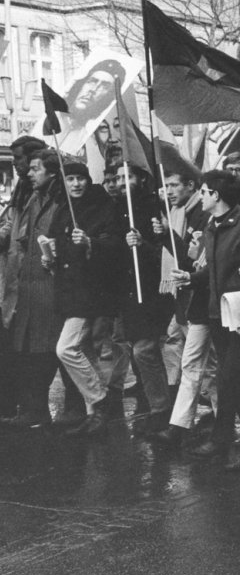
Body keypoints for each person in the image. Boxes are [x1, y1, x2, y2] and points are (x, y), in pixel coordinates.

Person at [174, 171, 240, 472]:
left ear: (216, 196)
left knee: (233, 379)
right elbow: (217, 271)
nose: (201, 197)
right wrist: (191, 278)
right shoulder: (212, 226)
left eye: (204, 191)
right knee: (229, 381)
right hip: (220, 315)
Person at [49, 161, 123, 437]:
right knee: (85, 351)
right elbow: (60, 249)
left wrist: (91, 243)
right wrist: (51, 256)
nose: (76, 184)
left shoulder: (103, 207)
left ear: (88, 180)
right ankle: (94, 416)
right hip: (70, 291)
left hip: (91, 292)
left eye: (80, 178)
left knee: (66, 348)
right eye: (70, 179)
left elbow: (114, 244)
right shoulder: (63, 209)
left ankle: (100, 399)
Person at [148, 161, 214, 448]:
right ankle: (181, 423)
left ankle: (215, 420)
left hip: (202, 300)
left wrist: (166, 234)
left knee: (206, 365)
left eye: (175, 185)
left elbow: (190, 261)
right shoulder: (176, 212)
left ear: (192, 186)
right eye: (167, 185)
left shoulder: (203, 215)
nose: (169, 191)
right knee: (192, 362)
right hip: (186, 300)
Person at [0, 149, 66, 429]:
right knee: (26, 349)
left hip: (45, 284)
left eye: (35, 168)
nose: (29, 173)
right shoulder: (33, 198)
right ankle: (33, 408)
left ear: (51, 171)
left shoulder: (58, 201)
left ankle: (38, 410)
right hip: (25, 284)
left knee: (42, 349)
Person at [117, 164, 175, 430]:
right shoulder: (118, 208)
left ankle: (163, 409)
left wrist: (144, 244)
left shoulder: (156, 207)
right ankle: (160, 407)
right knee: (142, 352)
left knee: (146, 351)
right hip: (131, 291)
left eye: (126, 176)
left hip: (156, 290)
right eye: (118, 177)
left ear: (140, 178)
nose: (121, 182)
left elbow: (170, 251)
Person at [0, 135, 47, 419]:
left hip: (31, 277)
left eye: (19, 158)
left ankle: (33, 408)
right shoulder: (21, 189)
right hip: (14, 276)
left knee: (29, 348)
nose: (17, 164)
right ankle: (15, 405)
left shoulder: (39, 190)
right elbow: (9, 226)